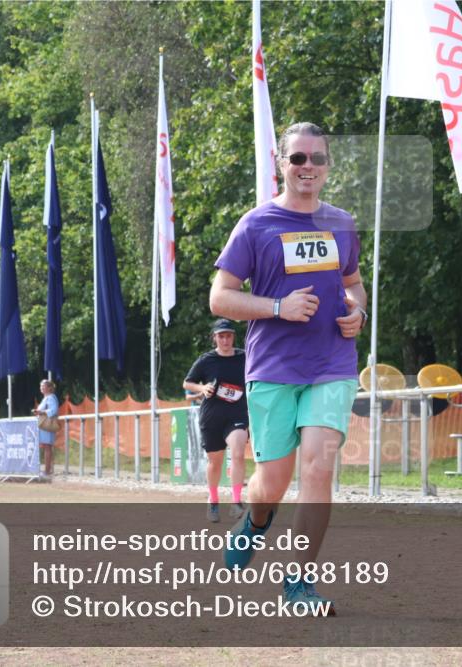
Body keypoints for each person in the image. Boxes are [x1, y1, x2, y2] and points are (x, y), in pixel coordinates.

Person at [210, 122, 367, 615]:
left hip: (332, 364)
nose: (307, 167)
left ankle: (299, 583)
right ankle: (256, 521)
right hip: (273, 368)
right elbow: (220, 297)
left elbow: (353, 283)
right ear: (282, 164)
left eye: (317, 158)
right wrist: (278, 307)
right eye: (298, 158)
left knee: (318, 468)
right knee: (272, 484)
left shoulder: (341, 223)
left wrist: (359, 311)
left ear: (328, 166)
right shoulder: (256, 224)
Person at [183, 319, 249, 523]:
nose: (225, 340)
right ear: (215, 338)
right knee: (215, 462)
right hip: (212, 416)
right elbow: (187, 383)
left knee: (238, 453)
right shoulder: (206, 360)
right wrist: (202, 388)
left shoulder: (245, 357)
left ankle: (236, 502)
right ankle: (213, 500)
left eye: (228, 336)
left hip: (237, 415)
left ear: (233, 337)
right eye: (221, 336)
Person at [33, 379, 60, 478]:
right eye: (40, 386)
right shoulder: (46, 398)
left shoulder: (51, 397)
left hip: (48, 425)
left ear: (49, 388)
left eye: (43, 386)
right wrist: (38, 412)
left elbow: (54, 410)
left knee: (48, 447)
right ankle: (48, 470)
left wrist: (41, 412)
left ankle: (47, 471)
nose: (41, 387)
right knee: (46, 447)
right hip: (44, 425)